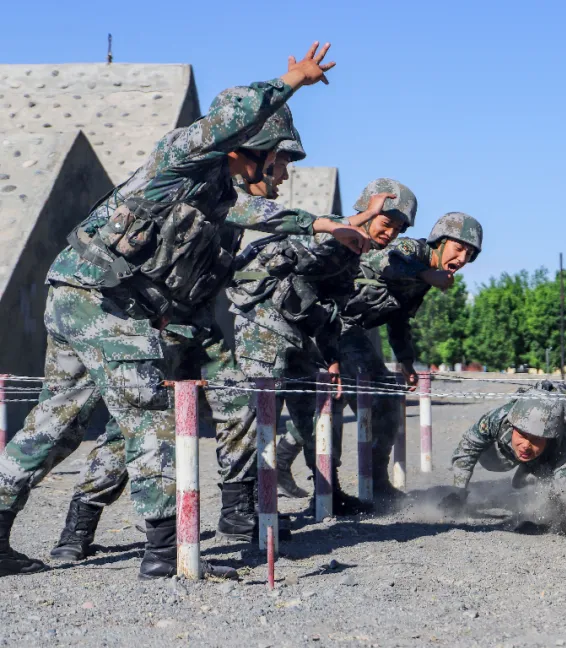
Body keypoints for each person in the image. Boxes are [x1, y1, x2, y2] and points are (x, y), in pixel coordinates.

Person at [0, 43, 345, 579]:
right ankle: (165, 553)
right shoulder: (181, 158)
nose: (276, 171)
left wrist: (325, 226)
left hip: (83, 292)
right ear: (242, 147)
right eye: (271, 157)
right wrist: (292, 79)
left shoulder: (211, 192)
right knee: (148, 417)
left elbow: (255, 212)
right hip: (100, 299)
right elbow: (233, 116)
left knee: (57, 423)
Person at [46, 103, 370, 560]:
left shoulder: (232, 196)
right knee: (130, 433)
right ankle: (78, 529)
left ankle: (237, 509)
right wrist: (320, 221)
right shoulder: (208, 185)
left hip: (196, 324)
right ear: (255, 153)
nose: (282, 176)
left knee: (238, 401)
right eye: (278, 164)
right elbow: (248, 210)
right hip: (153, 322)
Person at [230, 179, 411, 516]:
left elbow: (329, 314)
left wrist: (332, 361)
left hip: (297, 332)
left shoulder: (349, 262)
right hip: (262, 325)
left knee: (316, 414)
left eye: (398, 230)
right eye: (386, 223)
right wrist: (357, 220)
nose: (389, 234)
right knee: (257, 414)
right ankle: (242, 506)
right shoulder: (331, 231)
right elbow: (308, 236)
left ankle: (328, 492)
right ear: (365, 214)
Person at [333, 212, 483, 508]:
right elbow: (382, 262)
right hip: (329, 323)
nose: (462, 258)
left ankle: (377, 482)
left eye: (470, 253)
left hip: (350, 331)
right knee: (327, 405)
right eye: (458, 248)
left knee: (389, 399)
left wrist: (405, 361)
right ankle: (321, 485)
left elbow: (398, 318)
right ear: (440, 242)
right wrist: (427, 274)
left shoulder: (425, 280)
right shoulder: (414, 251)